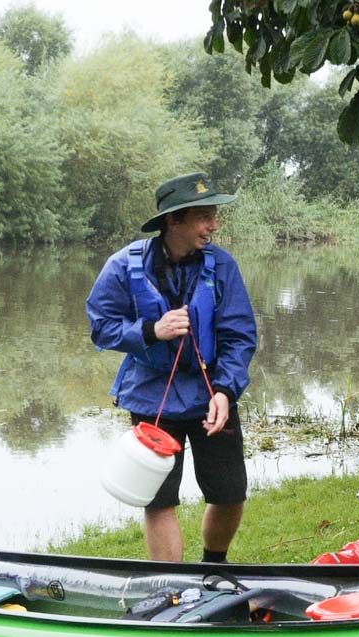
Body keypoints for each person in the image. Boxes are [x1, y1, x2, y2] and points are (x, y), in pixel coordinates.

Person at [86, 172, 258, 562]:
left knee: (230, 494)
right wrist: (150, 330)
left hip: (210, 395)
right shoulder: (122, 267)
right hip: (152, 397)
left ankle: (213, 565)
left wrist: (225, 390)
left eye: (213, 215)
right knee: (160, 499)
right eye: (203, 217)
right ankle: (173, 587)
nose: (213, 225)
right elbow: (100, 327)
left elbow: (239, 335)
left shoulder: (223, 267)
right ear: (173, 220)